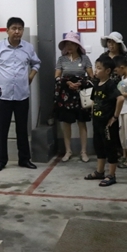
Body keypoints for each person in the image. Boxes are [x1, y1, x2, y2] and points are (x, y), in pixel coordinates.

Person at [0, 17, 41, 172]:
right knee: (1, 130)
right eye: (14, 28)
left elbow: (36, 63)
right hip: (3, 95)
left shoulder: (28, 47)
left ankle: (24, 159)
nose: (17, 31)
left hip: (22, 95)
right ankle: (0, 161)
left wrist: (31, 76)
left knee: (22, 129)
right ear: (7, 30)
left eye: (20, 29)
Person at [54, 31, 93, 163]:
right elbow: (57, 76)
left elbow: (91, 76)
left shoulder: (84, 59)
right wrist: (67, 82)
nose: (69, 46)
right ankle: (68, 151)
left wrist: (80, 83)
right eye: (67, 44)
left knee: (82, 122)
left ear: (77, 46)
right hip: (66, 94)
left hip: (81, 94)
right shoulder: (61, 59)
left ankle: (84, 151)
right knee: (66, 123)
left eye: (72, 43)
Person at [84, 56, 123, 187]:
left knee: (110, 148)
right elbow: (94, 100)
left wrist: (115, 117)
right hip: (97, 122)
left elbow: (120, 99)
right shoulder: (97, 84)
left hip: (108, 124)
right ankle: (100, 171)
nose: (96, 70)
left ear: (108, 71)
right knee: (99, 146)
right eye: (96, 67)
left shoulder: (110, 84)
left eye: (99, 68)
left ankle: (111, 175)